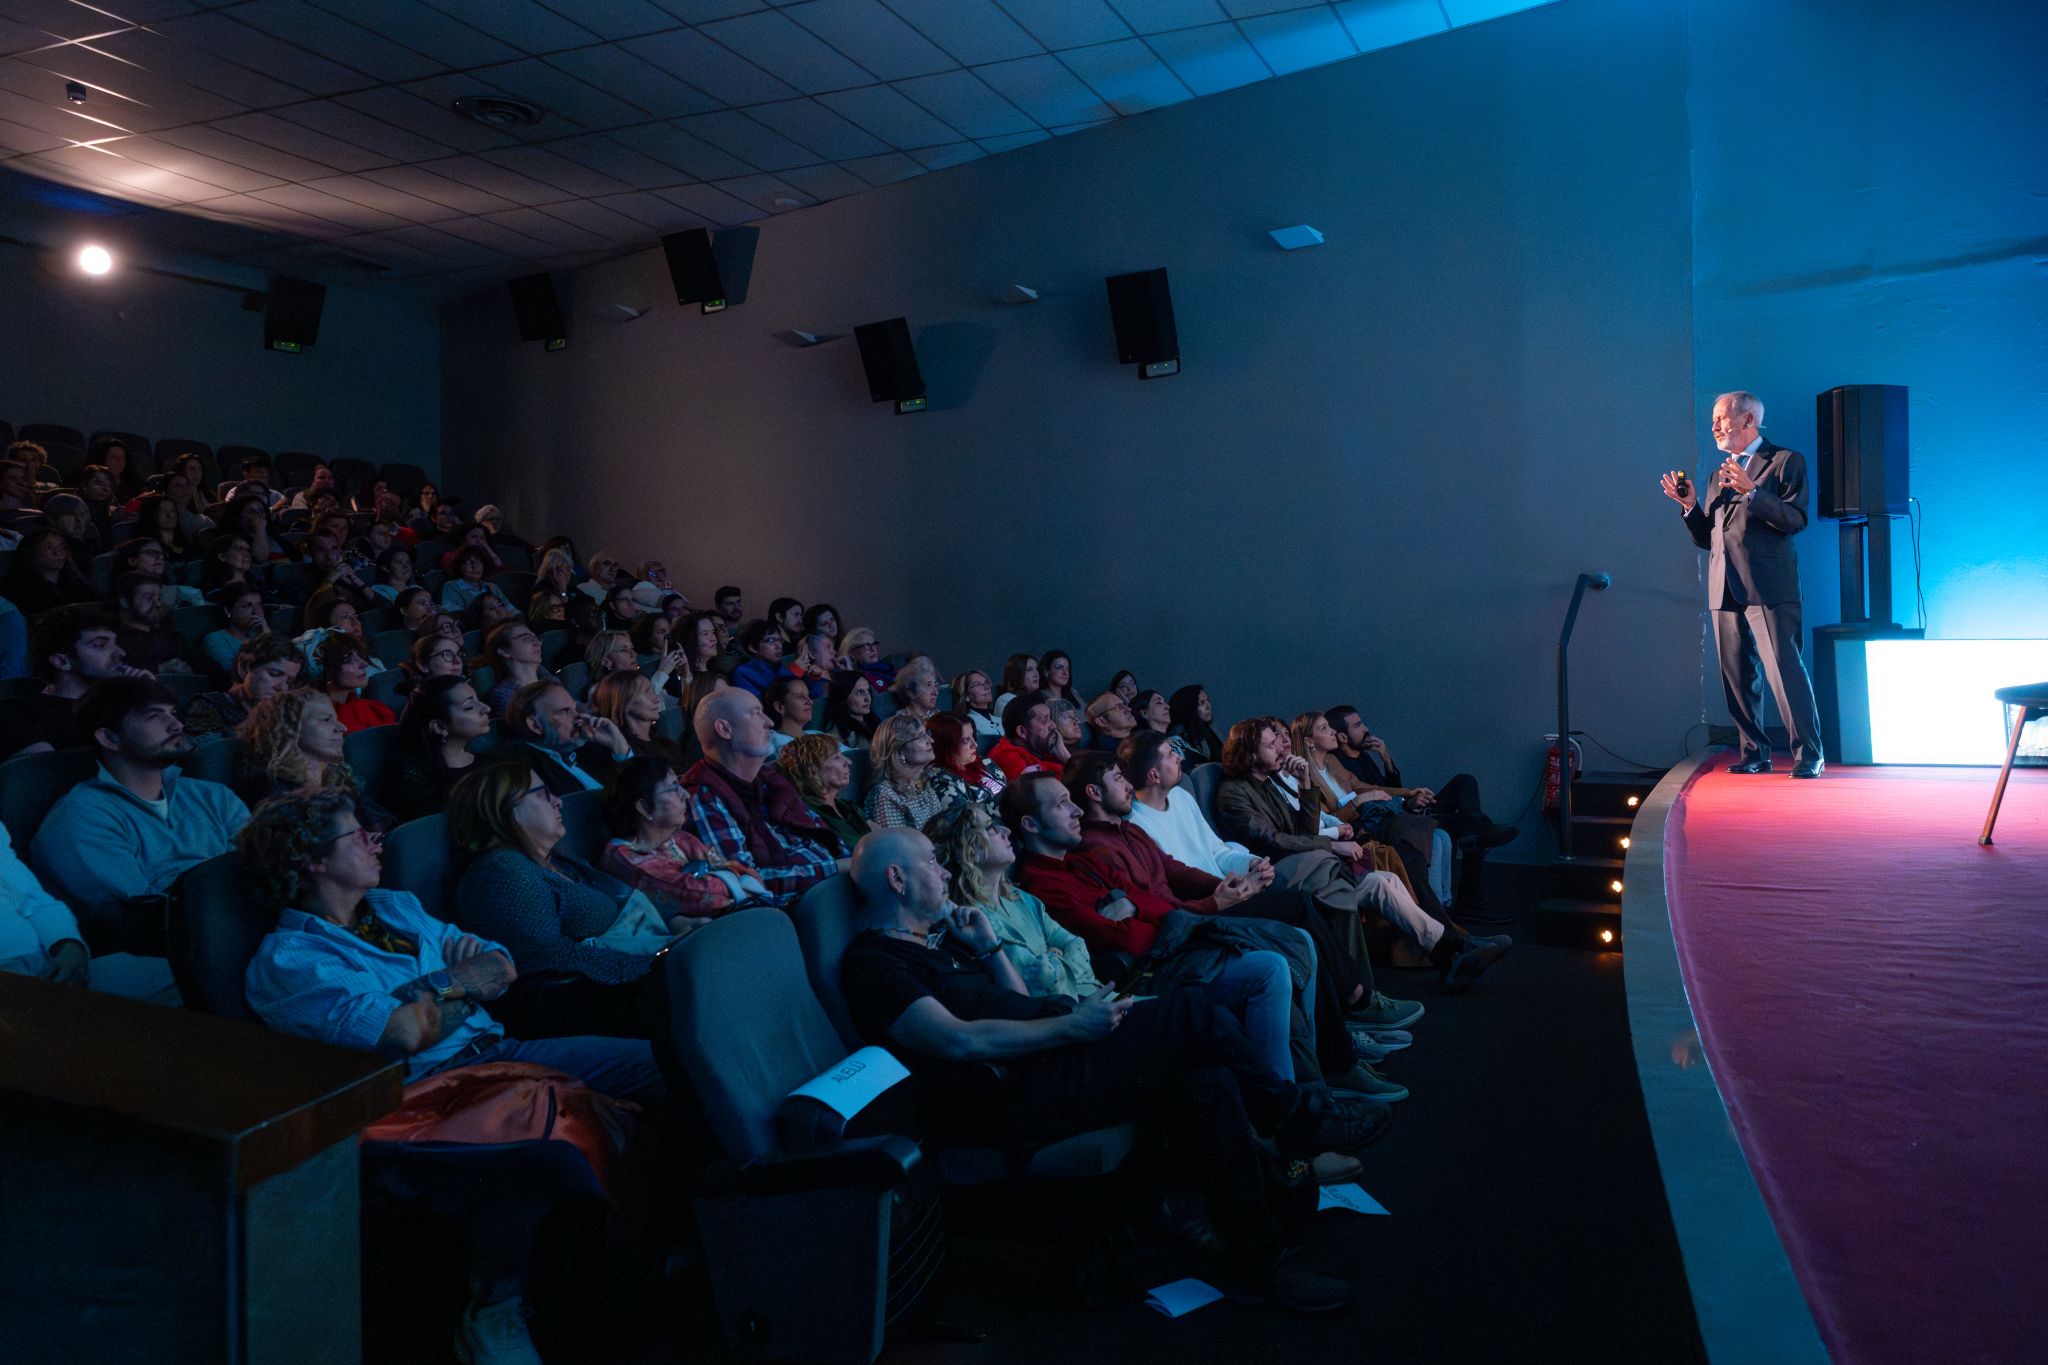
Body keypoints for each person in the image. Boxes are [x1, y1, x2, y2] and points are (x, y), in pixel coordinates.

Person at [842, 824, 1382, 1313]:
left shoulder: (941, 943)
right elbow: (955, 1041)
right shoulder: (876, 963)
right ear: (896, 878)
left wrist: (989, 951)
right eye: (932, 863)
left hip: (1049, 1056)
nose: (943, 872)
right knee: (1193, 1012)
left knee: (1208, 1081)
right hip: (1017, 1095)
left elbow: (1015, 1002)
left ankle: (1258, 1258)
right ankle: (1296, 1119)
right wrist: (1073, 1028)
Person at [238, 790, 663, 1365]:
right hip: (421, 1097)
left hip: (502, 1049)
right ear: (310, 860)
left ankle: (669, 1244)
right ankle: (493, 1310)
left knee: (665, 1065)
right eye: (354, 834)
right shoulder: (291, 959)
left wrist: (439, 989)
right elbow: (402, 1035)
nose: (373, 840)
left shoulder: (395, 906)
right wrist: (457, 979)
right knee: (543, 1139)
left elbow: (501, 962)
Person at [1014, 757, 1416, 1091]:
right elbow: (1129, 927)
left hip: (1191, 919)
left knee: (1304, 917)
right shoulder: (1087, 853)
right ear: (1094, 791)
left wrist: (1227, 884)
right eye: (1063, 804)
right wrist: (1210, 902)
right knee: (1295, 926)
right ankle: (1342, 1040)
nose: (1076, 812)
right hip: (1180, 937)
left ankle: (1344, 1034)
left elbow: (1172, 874)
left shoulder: (1130, 830)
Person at [1127, 731, 1508, 996]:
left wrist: (1252, 859)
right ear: (1153, 773)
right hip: (1244, 884)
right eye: (1271, 740)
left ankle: (1451, 953)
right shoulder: (1226, 795)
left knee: (1380, 882)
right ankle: (1365, 995)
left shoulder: (1190, 798)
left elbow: (1221, 848)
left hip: (1262, 869)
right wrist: (1324, 843)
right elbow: (1276, 840)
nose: (1282, 745)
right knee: (1346, 869)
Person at [1663, 389, 1825, 777]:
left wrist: (1753, 492)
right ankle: (1754, 753)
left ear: (1748, 419)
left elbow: (1795, 520)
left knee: (1784, 671)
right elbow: (1709, 538)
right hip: (1724, 586)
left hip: (1768, 584)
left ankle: (1809, 755)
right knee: (1738, 679)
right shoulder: (1719, 476)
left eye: (1721, 418)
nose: (1714, 426)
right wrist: (1689, 507)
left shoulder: (1785, 461)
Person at [31, 678, 250, 925]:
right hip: (168, 948)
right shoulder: (81, 817)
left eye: (173, 713)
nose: (177, 725)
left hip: (243, 927)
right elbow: (141, 914)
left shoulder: (213, 796)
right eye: (154, 716)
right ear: (109, 738)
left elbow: (262, 870)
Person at [450, 762, 668, 990]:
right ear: (508, 810)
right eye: (543, 795)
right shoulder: (505, 872)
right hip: (623, 991)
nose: (558, 801)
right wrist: (657, 966)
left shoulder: (555, 862)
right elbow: (548, 959)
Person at [681, 688, 845, 903]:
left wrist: (852, 860)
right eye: (756, 713)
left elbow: (819, 832)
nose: (769, 722)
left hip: (835, 885)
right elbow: (750, 883)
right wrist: (841, 867)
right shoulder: (702, 795)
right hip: (802, 907)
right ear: (724, 729)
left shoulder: (771, 777)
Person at [926, 798, 1097, 999]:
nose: (1005, 832)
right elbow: (1040, 985)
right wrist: (1056, 954)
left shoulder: (1022, 899)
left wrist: (1052, 962)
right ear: (966, 850)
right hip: (1069, 1015)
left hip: (1096, 996)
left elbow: (1076, 943)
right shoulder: (972, 920)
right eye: (990, 828)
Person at [0, 819, 179, 1004]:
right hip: (12, 985)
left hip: (49, 966)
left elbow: (35, 902)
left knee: (187, 981)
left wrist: (68, 945)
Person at [601, 755, 773, 929]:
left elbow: (750, 873)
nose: (685, 794)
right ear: (644, 807)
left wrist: (729, 879)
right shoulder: (625, 858)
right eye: (673, 788)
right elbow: (705, 896)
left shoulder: (679, 838)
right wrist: (735, 880)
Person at [0, 606, 152, 760]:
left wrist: (147, 701)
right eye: (100, 645)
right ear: (62, 661)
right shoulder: (21, 714)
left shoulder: (120, 705)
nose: (120, 652)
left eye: (115, 643)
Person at [387, 675, 491, 822]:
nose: (486, 708)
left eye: (479, 701)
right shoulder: (415, 779)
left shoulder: (491, 763)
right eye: (469, 707)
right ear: (439, 727)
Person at [502, 680, 632, 795]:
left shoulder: (589, 749)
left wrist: (619, 747)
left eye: (575, 709)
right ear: (535, 725)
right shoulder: (529, 772)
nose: (578, 717)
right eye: (565, 711)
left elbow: (636, 790)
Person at [184, 633, 302, 738]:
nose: (283, 687)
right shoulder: (209, 705)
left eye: (289, 681)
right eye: (274, 674)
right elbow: (210, 756)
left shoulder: (286, 713)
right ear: (245, 667)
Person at [775, 733, 869, 853]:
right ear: (812, 769)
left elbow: (882, 834)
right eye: (836, 757)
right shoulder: (805, 811)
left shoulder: (847, 806)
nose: (848, 761)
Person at [862, 712, 949, 830]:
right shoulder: (885, 795)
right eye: (921, 736)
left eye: (927, 733)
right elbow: (897, 846)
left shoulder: (922, 785)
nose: (931, 740)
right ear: (899, 751)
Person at [592, 672, 687, 773]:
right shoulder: (618, 752)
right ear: (623, 702)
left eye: (652, 691)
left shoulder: (666, 743)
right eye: (646, 692)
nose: (656, 699)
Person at [2, 526, 96, 618]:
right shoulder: (18, 591)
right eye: (49, 547)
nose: (58, 552)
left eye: (62, 546)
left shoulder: (78, 588)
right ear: (32, 553)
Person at [112, 573, 195, 675]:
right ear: (124, 601)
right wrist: (158, 670)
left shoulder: (173, 637)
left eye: (159, 598)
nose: (158, 603)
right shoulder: (113, 641)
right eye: (149, 598)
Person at [315, 633, 396, 733]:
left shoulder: (374, 710)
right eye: (348, 660)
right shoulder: (317, 718)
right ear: (328, 669)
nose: (364, 664)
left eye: (360, 656)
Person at [926, 711, 1004, 811]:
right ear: (946, 745)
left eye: (973, 736)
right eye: (966, 740)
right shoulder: (942, 782)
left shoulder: (985, 762)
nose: (975, 745)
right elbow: (968, 821)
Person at [478, 620, 551, 716]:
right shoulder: (504, 695)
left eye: (535, 638)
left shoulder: (550, 682)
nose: (538, 643)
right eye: (527, 638)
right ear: (504, 651)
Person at [988, 691, 1065, 781]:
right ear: (1022, 732)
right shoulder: (1006, 756)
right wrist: (1065, 757)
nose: (1053, 725)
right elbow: (1049, 791)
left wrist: (1064, 755)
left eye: (1050, 718)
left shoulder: (1043, 749)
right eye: (1044, 720)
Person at [199, 583, 269, 675]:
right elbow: (235, 675)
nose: (256, 611)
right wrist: (266, 639)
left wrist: (268, 635)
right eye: (246, 606)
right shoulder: (215, 639)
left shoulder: (264, 632)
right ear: (228, 610)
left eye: (259, 605)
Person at [819, 669, 877, 748]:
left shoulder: (873, 721)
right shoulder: (840, 733)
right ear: (843, 697)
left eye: (868, 691)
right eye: (860, 693)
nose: (867, 698)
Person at [1169, 683, 1224, 765]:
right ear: (1190, 707)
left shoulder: (1208, 730)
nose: (1208, 706)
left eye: (1207, 701)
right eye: (1202, 703)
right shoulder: (1178, 736)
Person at [730, 620, 787, 696]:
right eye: (771, 641)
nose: (778, 646)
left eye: (780, 640)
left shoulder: (781, 666)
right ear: (753, 648)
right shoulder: (743, 673)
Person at [761, 675, 813, 751]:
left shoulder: (817, 734)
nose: (810, 701)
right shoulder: (774, 745)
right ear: (780, 707)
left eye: (808, 695)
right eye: (800, 696)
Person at [888, 655, 941, 722]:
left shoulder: (939, 716)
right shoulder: (902, 722)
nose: (936, 692)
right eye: (928, 685)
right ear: (911, 693)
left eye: (936, 685)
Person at [838, 627, 893, 691]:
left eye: (874, 644)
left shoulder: (888, 666)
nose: (873, 649)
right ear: (852, 654)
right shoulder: (862, 679)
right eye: (867, 646)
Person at [952, 668, 1002, 740]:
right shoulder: (968, 723)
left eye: (986, 682)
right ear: (966, 696)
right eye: (977, 684)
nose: (985, 687)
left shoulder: (999, 720)